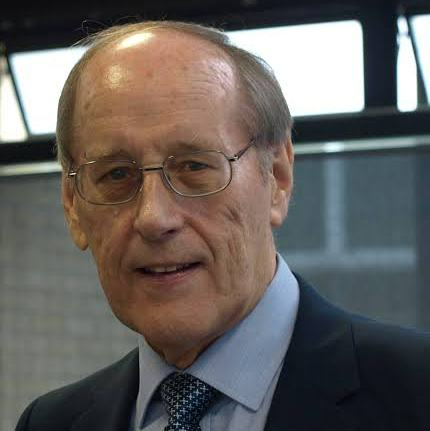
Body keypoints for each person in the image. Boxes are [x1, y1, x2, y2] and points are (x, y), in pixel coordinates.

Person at [15, 20, 429, 431]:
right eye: (117, 174)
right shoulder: (49, 423)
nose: (154, 218)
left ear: (277, 177)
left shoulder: (415, 394)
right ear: (72, 205)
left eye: (194, 166)